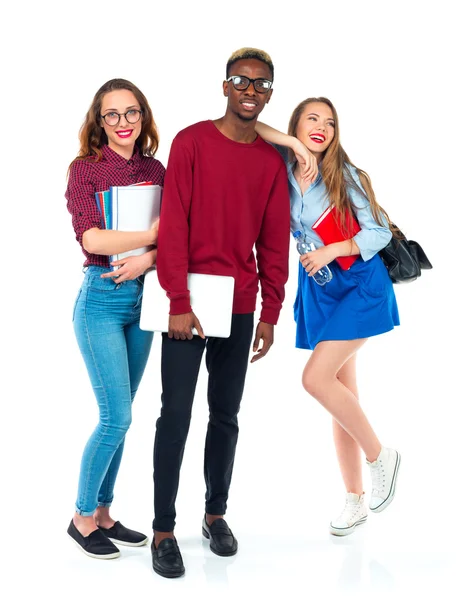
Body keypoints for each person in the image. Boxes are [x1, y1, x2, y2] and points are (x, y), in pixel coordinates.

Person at [151, 48, 290, 578]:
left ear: (269, 94)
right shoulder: (191, 142)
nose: (250, 90)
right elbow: (174, 225)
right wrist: (178, 303)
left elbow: (274, 243)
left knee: (226, 418)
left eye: (261, 84)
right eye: (241, 81)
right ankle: (164, 528)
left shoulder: (269, 163)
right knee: (175, 416)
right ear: (225, 86)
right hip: (188, 304)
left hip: (239, 304)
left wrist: (270, 311)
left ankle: (214, 515)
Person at [255, 97, 401, 537]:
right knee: (341, 397)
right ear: (295, 126)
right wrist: (293, 148)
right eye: (311, 120)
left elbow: (377, 231)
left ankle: (381, 456)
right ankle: (355, 500)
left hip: (358, 283)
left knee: (315, 380)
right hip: (321, 291)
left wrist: (332, 249)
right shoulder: (281, 169)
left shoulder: (345, 174)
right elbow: (250, 125)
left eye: (330, 123)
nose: (321, 128)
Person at [65, 78, 165, 559]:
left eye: (132, 113)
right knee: (116, 417)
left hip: (145, 301)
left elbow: (180, 234)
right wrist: (152, 234)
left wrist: (149, 255)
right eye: (112, 115)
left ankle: (105, 513)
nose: (123, 123)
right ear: (98, 122)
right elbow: (93, 241)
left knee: (123, 419)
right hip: (101, 301)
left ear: (143, 117)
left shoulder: (156, 169)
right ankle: (82, 517)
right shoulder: (85, 171)